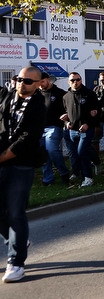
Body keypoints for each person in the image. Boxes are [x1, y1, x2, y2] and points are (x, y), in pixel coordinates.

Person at [0, 66, 46, 283]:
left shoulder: (39, 106)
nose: (21, 83)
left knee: (16, 212)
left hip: (21, 164)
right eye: (19, 79)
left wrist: (2, 157)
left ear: (38, 84)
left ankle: (16, 263)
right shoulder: (7, 97)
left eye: (28, 81)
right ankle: (17, 240)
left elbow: (27, 138)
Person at [62, 72, 99, 186]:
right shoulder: (66, 96)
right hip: (73, 130)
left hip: (87, 129)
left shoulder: (89, 94)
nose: (75, 82)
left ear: (81, 80)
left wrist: (88, 123)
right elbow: (64, 113)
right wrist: (66, 122)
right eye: (72, 80)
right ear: (69, 82)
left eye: (77, 80)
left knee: (82, 151)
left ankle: (88, 178)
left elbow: (97, 112)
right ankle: (96, 162)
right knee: (81, 152)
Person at [37, 72, 71, 185]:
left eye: (42, 81)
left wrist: (67, 115)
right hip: (39, 128)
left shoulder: (60, 93)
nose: (40, 84)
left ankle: (63, 172)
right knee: (42, 153)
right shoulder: (36, 94)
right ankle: (48, 178)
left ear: (48, 80)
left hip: (54, 127)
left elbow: (69, 107)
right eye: (38, 82)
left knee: (52, 150)